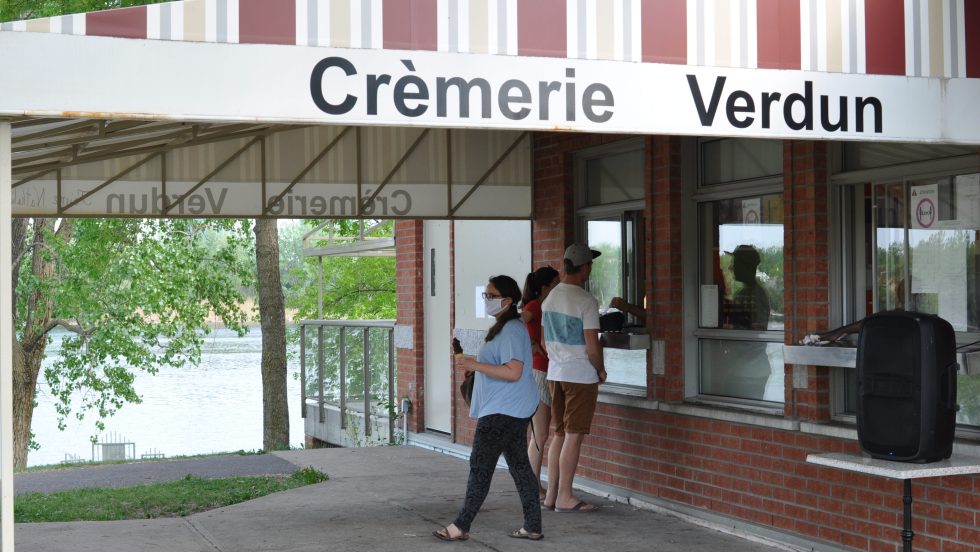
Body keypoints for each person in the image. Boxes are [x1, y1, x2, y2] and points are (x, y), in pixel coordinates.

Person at [433, 275, 543, 542]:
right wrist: (474, 366)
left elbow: (514, 371)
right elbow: (503, 366)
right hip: (509, 408)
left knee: (481, 466)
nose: (486, 300)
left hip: (503, 410)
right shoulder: (503, 327)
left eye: (491, 296)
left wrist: (475, 366)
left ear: (507, 300)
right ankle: (533, 526)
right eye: (485, 295)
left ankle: (461, 525)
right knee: (520, 467)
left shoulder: (512, 330)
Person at [541, 244, 606, 513]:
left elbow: (544, 342)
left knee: (559, 434)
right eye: (590, 264)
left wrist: (559, 356)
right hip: (580, 375)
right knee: (574, 435)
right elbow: (592, 344)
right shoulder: (586, 301)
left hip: (555, 373)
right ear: (585, 268)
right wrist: (600, 369)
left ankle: (552, 495)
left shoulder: (550, 298)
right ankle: (566, 496)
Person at [520, 266, 560, 500]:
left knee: (540, 433)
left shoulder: (543, 305)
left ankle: (532, 483)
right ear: (545, 287)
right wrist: (532, 344)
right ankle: (531, 484)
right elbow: (519, 320)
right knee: (540, 433)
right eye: (555, 282)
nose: (558, 286)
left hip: (544, 370)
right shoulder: (535, 305)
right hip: (539, 371)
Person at [723, 244, 770, 330]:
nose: (730, 267)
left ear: (745, 266)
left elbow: (758, 329)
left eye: (734, 263)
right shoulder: (744, 293)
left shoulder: (757, 295)